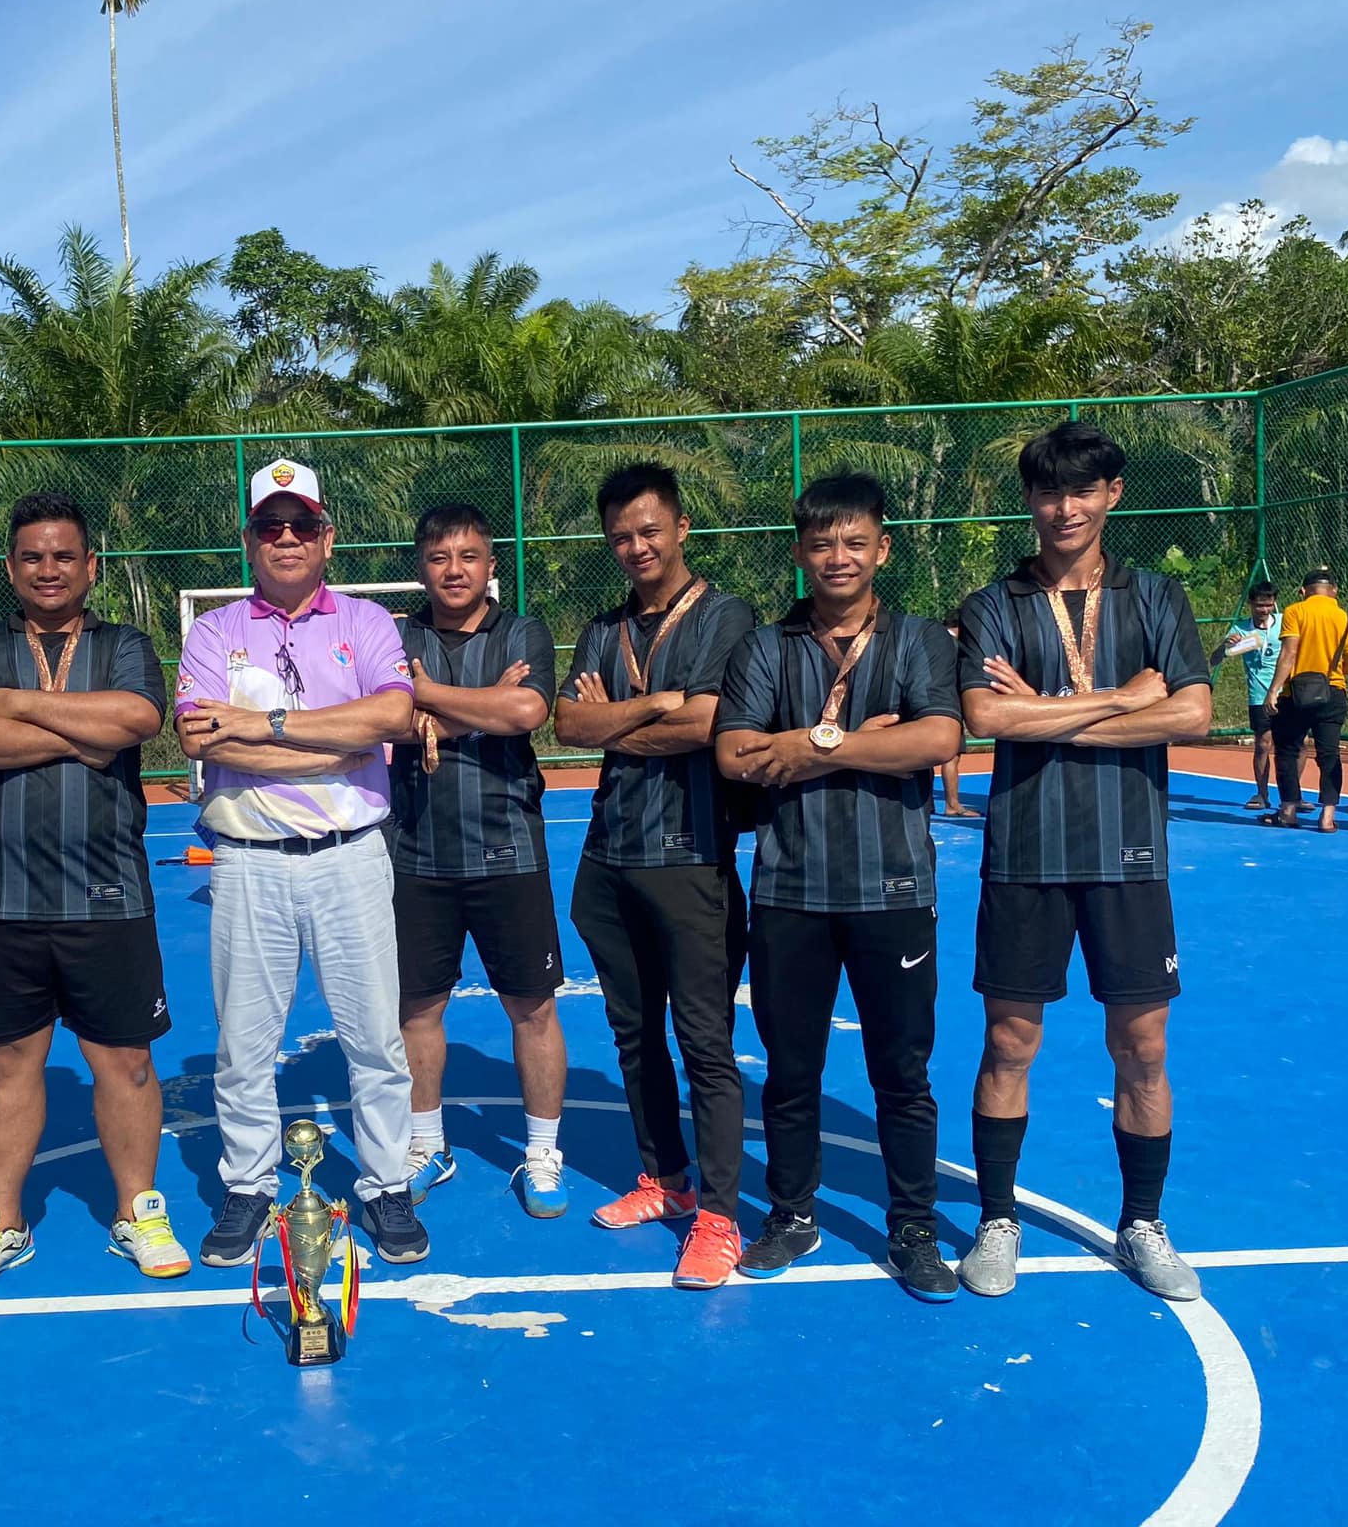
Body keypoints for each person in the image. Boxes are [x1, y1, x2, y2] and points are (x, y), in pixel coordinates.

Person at [954, 422, 1212, 1302]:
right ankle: (997, 1221)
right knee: (1008, 1042)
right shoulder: (995, 604)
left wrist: (1052, 711)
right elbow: (988, 719)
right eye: (1048, 491)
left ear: (1112, 495)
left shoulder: (1157, 598)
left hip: (1129, 856)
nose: (1064, 507)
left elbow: (1192, 716)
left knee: (1142, 1046)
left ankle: (1142, 1223)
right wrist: (1124, 697)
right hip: (1024, 854)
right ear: (1030, 500)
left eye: (1082, 490)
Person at [0, 493, 188, 1291]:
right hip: (0, 896)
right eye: (33, 557)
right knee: (7, 1062)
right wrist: (80, 735)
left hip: (108, 895)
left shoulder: (124, 644)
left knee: (128, 1062)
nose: (49, 570)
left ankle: (138, 1210)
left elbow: (137, 719)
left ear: (90, 566)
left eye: (64, 556)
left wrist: (15, 707)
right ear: (10, 568)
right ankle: (1, 1219)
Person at [173, 457, 427, 1268]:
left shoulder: (367, 621)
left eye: (302, 524)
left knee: (375, 1040)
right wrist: (337, 743)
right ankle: (248, 1185)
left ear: (327, 536)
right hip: (248, 861)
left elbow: (393, 715)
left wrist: (266, 726)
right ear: (250, 538)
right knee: (244, 1046)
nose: (287, 538)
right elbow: (202, 738)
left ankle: (385, 1185)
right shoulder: (214, 631)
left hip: (350, 858)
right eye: (270, 525)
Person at [715, 474, 963, 1301]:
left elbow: (937, 738)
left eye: (855, 542)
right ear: (800, 553)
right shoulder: (764, 647)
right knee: (790, 1071)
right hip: (790, 890)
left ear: (882, 549)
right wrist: (866, 739)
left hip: (894, 889)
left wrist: (813, 744)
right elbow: (736, 755)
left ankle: (914, 1227)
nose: (839, 557)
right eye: (822, 543)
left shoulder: (920, 641)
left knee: (903, 1073)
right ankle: (792, 1213)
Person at [553, 462, 755, 1290]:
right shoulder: (603, 628)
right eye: (620, 537)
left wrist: (618, 718)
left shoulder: (726, 616)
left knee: (704, 1041)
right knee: (633, 1034)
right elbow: (568, 724)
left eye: (649, 531)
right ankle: (666, 1180)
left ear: (680, 529)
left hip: (690, 855)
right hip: (609, 857)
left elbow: (709, 722)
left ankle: (720, 1217)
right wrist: (651, 706)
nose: (636, 547)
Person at [387, 503, 569, 1218]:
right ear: (421, 569)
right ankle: (427, 1144)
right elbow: (383, 719)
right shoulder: (395, 636)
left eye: (468, 556)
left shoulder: (523, 631)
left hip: (508, 850)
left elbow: (526, 714)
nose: (454, 570)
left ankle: (542, 1153)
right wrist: (485, 703)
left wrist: (429, 697)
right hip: (415, 852)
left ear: (491, 565)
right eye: (439, 558)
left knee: (532, 1008)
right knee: (417, 1009)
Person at [1261, 567, 1348, 834]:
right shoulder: (1347, 620)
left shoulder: (1295, 612)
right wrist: (1331, 669)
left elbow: (1289, 653)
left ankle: (1288, 811)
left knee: (1287, 750)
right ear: (1334, 591)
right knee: (1329, 754)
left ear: (1303, 591)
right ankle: (1327, 817)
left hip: (1296, 693)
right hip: (1332, 691)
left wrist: (1273, 689)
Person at [1213, 582, 1284, 810]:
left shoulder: (1284, 623)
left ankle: (1292, 797)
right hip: (1259, 696)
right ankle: (1262, 794)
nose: (1264, 610)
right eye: (1260, 605)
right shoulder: (1241, 629)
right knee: (1263, 744)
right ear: (1251, 604)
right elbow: (1215, 659)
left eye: (1269, 605)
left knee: (1298, 744)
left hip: (1288, 693)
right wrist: (1225, 645)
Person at [936, 611, 979, 819]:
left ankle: (926, 804)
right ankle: (952, 804)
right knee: (951, 755)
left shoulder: (930, 638)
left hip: (924, 703)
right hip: (947, 703)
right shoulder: (954, 647)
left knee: (923, 756)